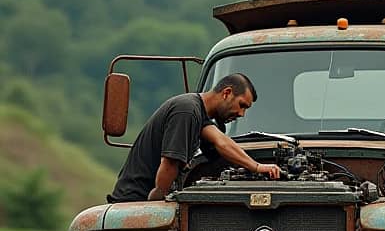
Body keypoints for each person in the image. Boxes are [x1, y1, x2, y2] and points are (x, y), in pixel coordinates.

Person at [108, 73, 280, 202]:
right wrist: (158, 198)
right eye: (242, 105)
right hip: (135, 200)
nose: (241, 114)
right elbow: (170, 162)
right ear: (227, 93)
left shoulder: (199, 112)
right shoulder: (187, 111)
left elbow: (222, 142)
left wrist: (257, 167)